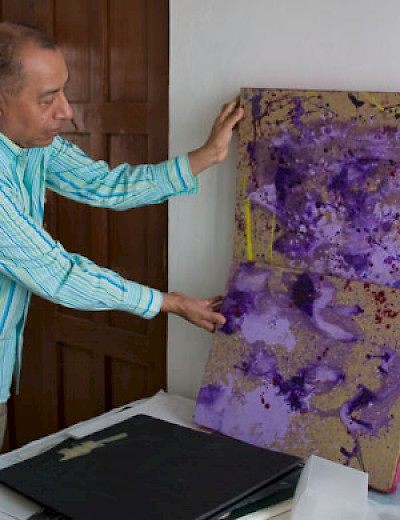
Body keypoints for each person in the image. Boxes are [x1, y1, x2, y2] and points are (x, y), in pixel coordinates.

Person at [0, 22, 243, 449]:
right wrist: (168, 302)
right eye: (47, 99)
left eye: (63, 91)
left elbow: (104, 185)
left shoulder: (32, 146)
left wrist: (207, 156)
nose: (66, 111)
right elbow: (59, 274)